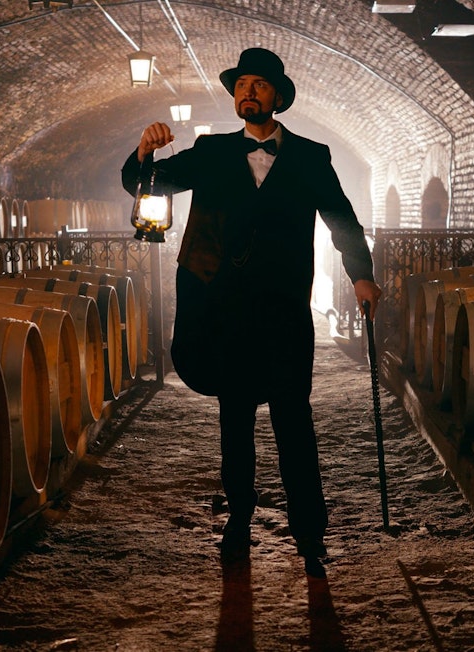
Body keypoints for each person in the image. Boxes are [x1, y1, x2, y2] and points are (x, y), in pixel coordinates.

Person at [122, 47, 382, 564]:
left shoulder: (311, 157)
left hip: (286, 311)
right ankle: (240, 518)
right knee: (235, 419)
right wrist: (144, 152)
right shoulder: (212, 151)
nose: (248, 91)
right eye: (241, 84)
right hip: (227, 312)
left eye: (258, 84)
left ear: (277, 97)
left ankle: (310, 533)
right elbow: (144, 184)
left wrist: (362, 276)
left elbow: (341, 219)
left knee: (293, 419)